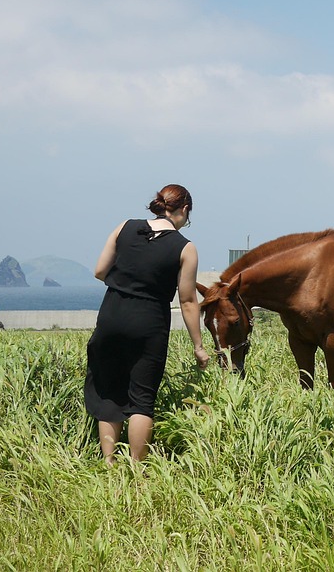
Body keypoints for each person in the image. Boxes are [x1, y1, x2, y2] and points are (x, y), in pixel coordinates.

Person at [85, 184, 210, 463]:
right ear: (184, 210)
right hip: (150, 320)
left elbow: (100, 271)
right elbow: (188, 301)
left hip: (112, 313)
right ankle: (137, 469)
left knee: (109, 391)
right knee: (142, 398)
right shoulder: (185, 248)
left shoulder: (125, 227)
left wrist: (127, 280)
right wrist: (198, 346)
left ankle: (108, 463)